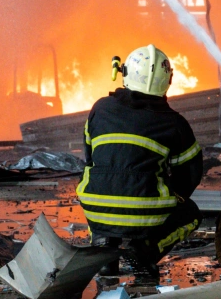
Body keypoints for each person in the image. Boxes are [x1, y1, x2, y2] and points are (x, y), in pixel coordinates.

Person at [77, 45, 203, 281]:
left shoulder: (99, 108)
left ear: (125, 73)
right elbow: (191, 174)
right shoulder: (174, 123)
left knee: (102, 183)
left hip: (95, 206)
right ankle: (145, 251)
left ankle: (104, 250)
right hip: (145, 212)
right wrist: (169, 197)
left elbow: (90, 158)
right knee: (192, 213)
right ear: (168, 80)